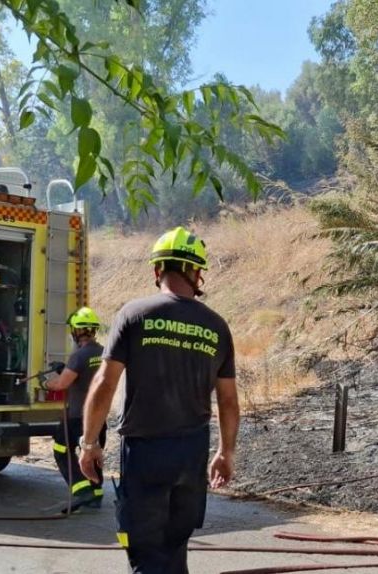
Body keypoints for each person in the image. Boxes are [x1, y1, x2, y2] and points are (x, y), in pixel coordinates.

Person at [79, 226, 239, 574]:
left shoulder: (134, 314)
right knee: (175, 549)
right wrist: (226, 452)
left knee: (145, 553)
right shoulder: (217, 326)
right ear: (196, 272)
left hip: (145, 451)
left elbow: (105, 383)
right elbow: (228, 400)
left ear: (157, 270)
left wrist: (89, 443)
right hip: (192, 453)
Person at [42, 306, 107, 513]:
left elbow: (62, 384)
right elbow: (87, 374)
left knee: (62, 450)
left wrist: (45, 383)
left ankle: (81, 489)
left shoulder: (79, 355)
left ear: (77, 331)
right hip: (99, 417)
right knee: (93, 452)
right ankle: (95, 494)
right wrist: (66, 369)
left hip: (77, 416)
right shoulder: (103, 352)